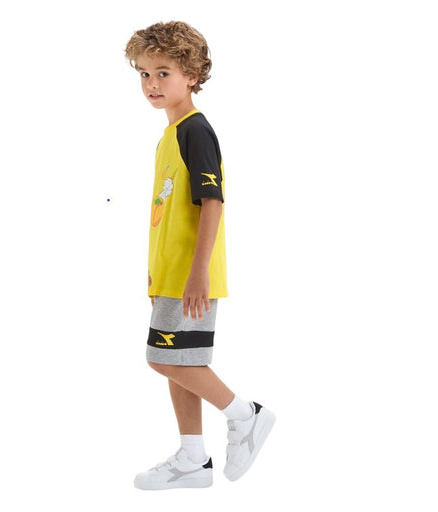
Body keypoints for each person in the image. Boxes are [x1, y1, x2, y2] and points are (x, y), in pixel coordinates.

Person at [124, 21, 275, 490]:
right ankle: (193, 457)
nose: (151, 84)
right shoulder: (170, 135)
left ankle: (245, 414)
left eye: (162, 73)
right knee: (182, 363)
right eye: (144, 73)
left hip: (192, 276)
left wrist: (198, 273)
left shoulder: (196, 131)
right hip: (170, 275)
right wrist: (157, 274)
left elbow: (213, 202)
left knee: (163, 358)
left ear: (192, 75)